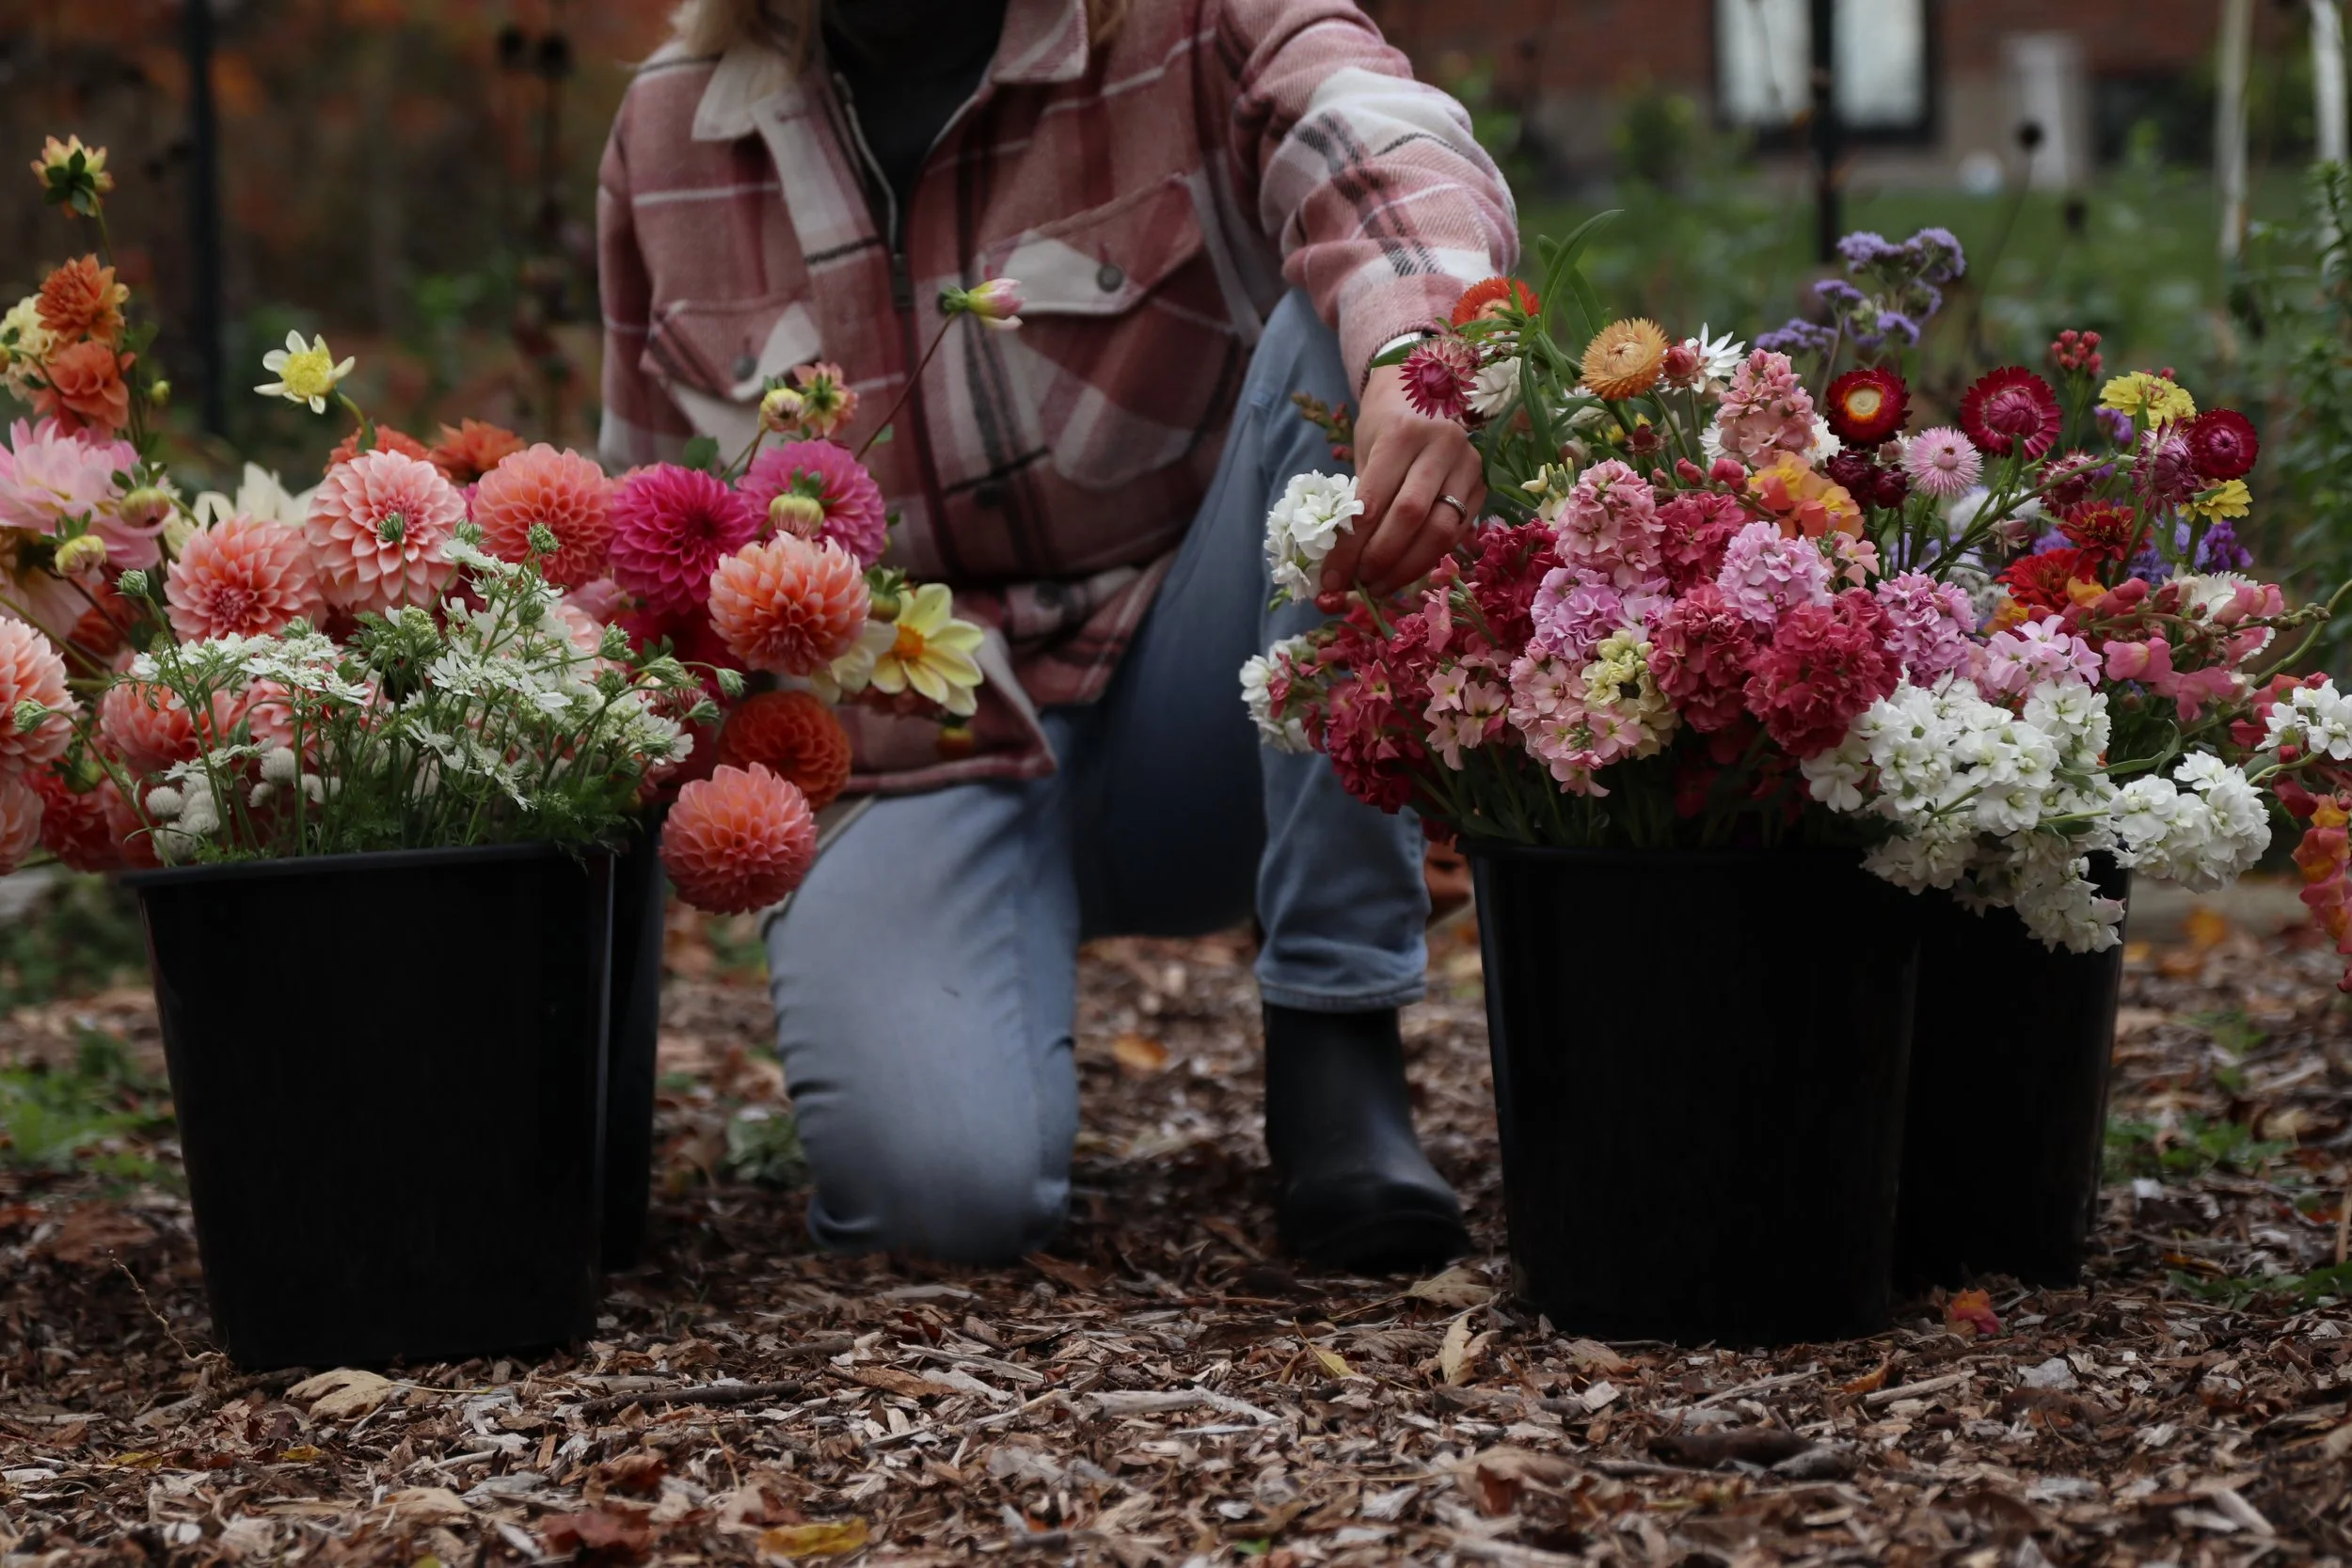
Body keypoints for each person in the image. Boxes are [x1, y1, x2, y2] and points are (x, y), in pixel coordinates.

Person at [597, 0, 1516, 1269]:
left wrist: (1421, 340)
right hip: (912, 752)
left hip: (1208, 699)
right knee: (934, 1204)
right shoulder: (671, 132)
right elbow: (650, 566)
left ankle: (1336, 1041)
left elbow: (1380, 135)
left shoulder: (1189, 24)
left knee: (1351, 337)